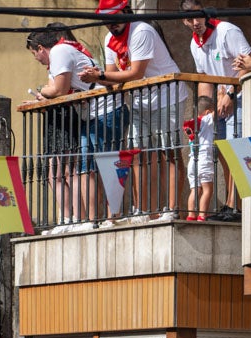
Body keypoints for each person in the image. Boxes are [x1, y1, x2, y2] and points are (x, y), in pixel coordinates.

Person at [83, 0, 184, 220]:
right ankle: (143, 209)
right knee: (138, 155)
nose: (110, 25)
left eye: (114, 18)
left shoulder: (141, 30)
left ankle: (172, 208)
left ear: (126, 12)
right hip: (140, 100)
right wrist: (96, 76)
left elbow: (136, 73)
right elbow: (110, 76)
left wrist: (99, 76)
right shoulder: (110, 39)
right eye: (106, 20)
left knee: (169, 151)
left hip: (166, 95)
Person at [180, 0, 250, 218]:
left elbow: (249, 63)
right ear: (184, 22)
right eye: (189, 19)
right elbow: (204, 79)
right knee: (223, 155)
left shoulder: (226, 31)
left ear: (206, 14)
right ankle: (231, 202)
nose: (195, 22)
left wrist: (230, 92)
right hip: (218, 103)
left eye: (197, 16)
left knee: (234, 150)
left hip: (239, 97)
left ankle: (234, 205)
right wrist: (205, 108)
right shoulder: (195, 44)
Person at [25, 25, 94, 231]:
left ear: (40, 48)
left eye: (34, 54)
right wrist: (44, 95)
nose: (36, 59)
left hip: (66, 115)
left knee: (68, 169)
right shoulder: (56, 61)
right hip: (56, 116)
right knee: (54, 171)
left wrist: (43, 92)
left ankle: (77, 217)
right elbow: (52, 90)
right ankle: (66, 218)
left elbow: (57, 90)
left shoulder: (60, 53)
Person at [183, 98, 215, 221]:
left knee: (195, 190)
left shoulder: (191, 123)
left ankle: (191, 215)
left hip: (193, 161)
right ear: (207, 112)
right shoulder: (206, 120)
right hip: (204, 159)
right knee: (207, 189)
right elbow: (217, 112)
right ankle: (202, 215)